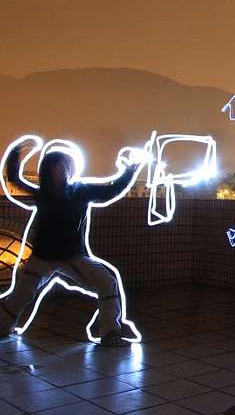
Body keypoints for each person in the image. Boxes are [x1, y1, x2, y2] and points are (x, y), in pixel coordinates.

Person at [0, 138, 144, 346]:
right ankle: (1, 326)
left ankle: (110, 333)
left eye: (66, 165)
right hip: (43, 257)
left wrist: (129, 172)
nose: (64, 169)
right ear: (48, 170)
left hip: (72, 257)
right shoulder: (44, 194)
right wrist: (16, 152)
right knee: (21, 296)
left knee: (107, 283)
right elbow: (14, 178)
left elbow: (109, 191)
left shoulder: (80, 191)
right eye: (59, 166)